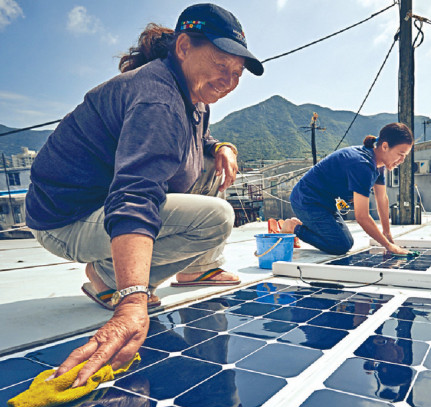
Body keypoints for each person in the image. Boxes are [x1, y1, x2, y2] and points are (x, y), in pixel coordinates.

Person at [24, 3, 263, 387]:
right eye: (222, 64)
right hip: (65, 220)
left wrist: (223, 146)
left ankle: (193, 267)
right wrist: (132, 300)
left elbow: (196, 140)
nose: (229, 80)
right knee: (218, 218)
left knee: (208, 168)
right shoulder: (158, 98)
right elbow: (135, 193)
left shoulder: (193, 96)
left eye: (237, 73)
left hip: (101, 206)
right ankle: (107, 277)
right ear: (183, 46)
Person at [282, 122, 413, 255]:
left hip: (326, 203)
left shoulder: (378, 164)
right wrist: (388, 246)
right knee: (340, 245)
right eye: (400, 154)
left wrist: (387, 234)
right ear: (385, 146)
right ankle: (294, 227)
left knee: (346, 241)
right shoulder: (362, 165)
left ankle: (300, 225)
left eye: (405, 156)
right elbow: (362, 216)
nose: (402, 160)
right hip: (306, 200)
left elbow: (382, 198)